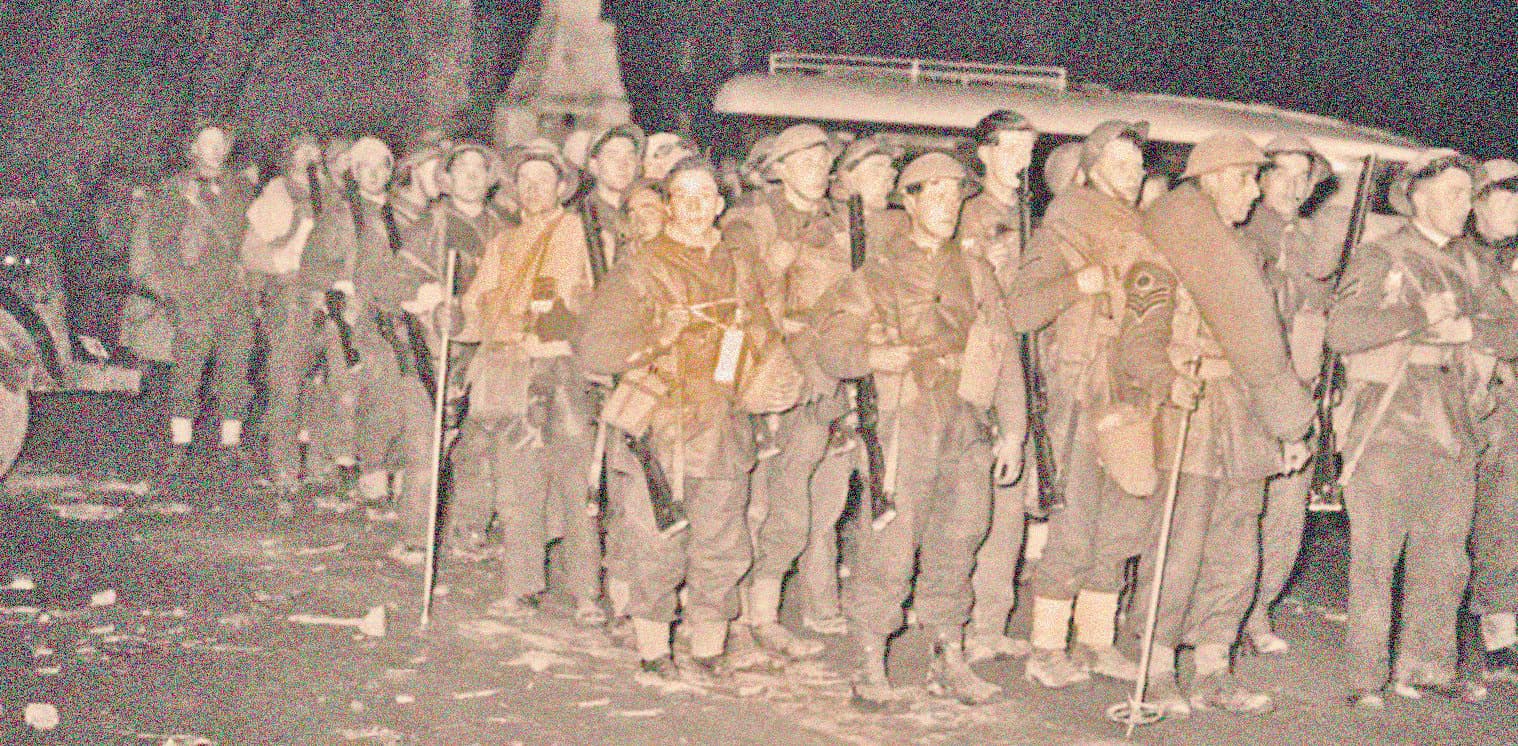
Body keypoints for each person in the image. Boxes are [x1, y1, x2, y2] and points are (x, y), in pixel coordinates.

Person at [575, 156, 798, 681]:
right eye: (684, 196)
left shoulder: (741, 264)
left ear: (720, 204)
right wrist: (659, 337)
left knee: (723, 544)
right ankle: (653, 651)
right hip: (663, 427)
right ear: (669, 205)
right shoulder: (641, 266)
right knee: (657, 544)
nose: (696, 206)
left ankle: (708, 650)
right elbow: (593, 350)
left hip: (724, 423)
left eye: (706, 196)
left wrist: (770, 373)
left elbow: (763, 332)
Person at [1120, 133, 1314, 716]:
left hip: (1244, 418)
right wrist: (1166, 377)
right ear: (1214, 178)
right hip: (1192, 413)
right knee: (1179, 548)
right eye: (1247, 179)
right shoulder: (1158, 251)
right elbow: (1137, 341)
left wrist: (1284, 424)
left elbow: (1267, 347)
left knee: (1237, 548)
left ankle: (1213, 665)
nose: (1255, 194)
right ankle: (1155, 667)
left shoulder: (1239, 256)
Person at [817, 151, 1020, 709]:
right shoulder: (877, 273)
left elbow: (1003, 351)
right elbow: (832, 346)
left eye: (956, 196)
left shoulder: (976, 271)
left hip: (967, 417)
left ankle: (948, 656)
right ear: (909, 202)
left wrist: (1013, 432)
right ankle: (869, 661)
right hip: (907, 417)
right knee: (891, 543)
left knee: (961, 536)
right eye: (935, 194)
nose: (949, 206)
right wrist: (877, 354)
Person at [1326, 149, 1518, 710]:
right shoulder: (1380, 255)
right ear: (1419, 196)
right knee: (1377, 557)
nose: (1468, 206)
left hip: (1455, 422)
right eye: (1458, 194)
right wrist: (1417, 319)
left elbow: (1510, 330)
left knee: (1444, 554)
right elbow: (1342, 330)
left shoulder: (1470, 263)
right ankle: (1367, 678)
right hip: (1389, 423)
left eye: (1471, 195)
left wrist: (1467, 331)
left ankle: (1426, 666)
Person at [1006, 121, 1155, 688]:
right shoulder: (1067, 223)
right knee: (1074, 522)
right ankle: (1045, 648)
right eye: (1119, 164)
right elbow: (1020, 309)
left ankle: (1095, 641)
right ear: (1092, 171)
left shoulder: (1144, 226)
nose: (1133, 175)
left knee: (1122, 522)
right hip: (1079, 390)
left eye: (1137, 165)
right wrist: (1078, 284)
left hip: (1132, 390)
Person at [454, 140, 602, 622]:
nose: (534, 189)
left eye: (544, 180)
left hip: (559, 371)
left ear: (563, 187)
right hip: (511, 373)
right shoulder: (502, 243)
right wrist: (450, 317)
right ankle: (522, 586)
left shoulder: (580, 233)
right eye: (526, 181)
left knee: (574, 485)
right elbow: (477, 313)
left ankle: (587, 594)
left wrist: (545, 325)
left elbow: (583, 302)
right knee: (519, 489)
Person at [721, 124, 851, 662]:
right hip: (760, 371)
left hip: (822, 378)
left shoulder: (842, 223)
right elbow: (731, 301)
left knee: (794, 506)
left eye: (823, 159)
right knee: (742, 503)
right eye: (804, 160)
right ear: (777, 167)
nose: (817, 169)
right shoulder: (749, 221)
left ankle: (764, 615)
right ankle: (734, 620)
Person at [1239, 135, 1342, 655]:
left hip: (1297, 392)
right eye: (1282, 172)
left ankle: (1257, 614)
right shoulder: (1236, 230)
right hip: (1246, 391)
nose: (1295, 186)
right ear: (1259, 177)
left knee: (1284, 517)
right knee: (1234, 514)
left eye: (1305, 176)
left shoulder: (1311, 241)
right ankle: (1216, 617)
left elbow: (1326, 313)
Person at [132, 122, 255, 488]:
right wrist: (180, 290)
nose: (215, 150)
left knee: (236, 369)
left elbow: (253, 238)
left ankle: (230, 445)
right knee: (188, 372)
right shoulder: (175, 190)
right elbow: (162, 244)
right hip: (194, 296)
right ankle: (179, 445)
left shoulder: (241, 188)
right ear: (194, 149)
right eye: (207, 143)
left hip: (233, 294)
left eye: (221, 144)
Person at [958, 110, 1037, 663]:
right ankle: (954, 622)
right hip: (982, 366)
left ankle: (989, 622)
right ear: (984, 153)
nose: (1019, 159)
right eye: (1008, 148)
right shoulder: (971, 216)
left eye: (1027, 148)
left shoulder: (1033, 216)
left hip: (1027, 364)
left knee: (1009, 509)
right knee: (970, 509)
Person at [244, 133, 339, 495]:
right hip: (291, 295)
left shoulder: (332, 195)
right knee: (287, 379)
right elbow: (253, 251)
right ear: (288, 157)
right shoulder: (277, 193)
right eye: (301, 151)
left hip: (329, 294)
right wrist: (283, 263)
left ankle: (319, 460)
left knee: (325, 379)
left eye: (315, 150)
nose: (308, 157)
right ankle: (283, 463)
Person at [1468, 158, 1518, 682]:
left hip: (1509, 399)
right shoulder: (1458, 253)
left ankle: (1499, 629)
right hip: (1456, 397)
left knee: (1504, 515)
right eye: (1504, 196)